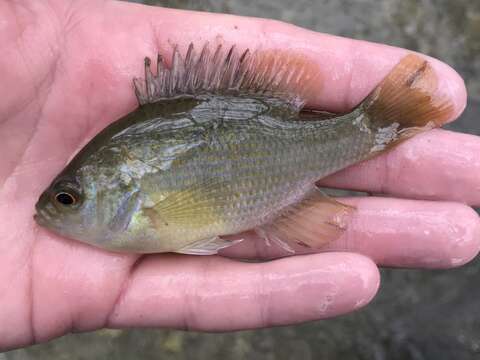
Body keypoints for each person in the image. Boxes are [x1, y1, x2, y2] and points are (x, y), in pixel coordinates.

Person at [1, 0, 479, 351]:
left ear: (118, 188)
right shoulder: (123, 176)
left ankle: (377, 123)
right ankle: (381, 122)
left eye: (68, 199)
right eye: (66, 198)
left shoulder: (129, 178)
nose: (55, 208)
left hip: (270, 150)